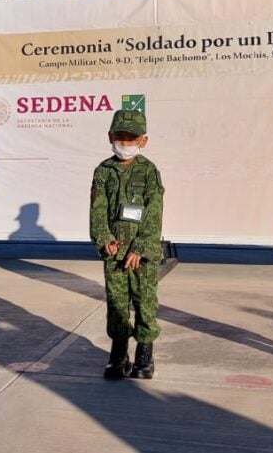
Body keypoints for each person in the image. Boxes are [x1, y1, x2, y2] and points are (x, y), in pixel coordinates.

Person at [90, 109, 165, 380]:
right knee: (117, 305)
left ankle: (145, 354)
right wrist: (105, 240)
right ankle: (119, 355)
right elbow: (97, 211)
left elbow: (154, 212)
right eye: (120, 137)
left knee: (145, 303)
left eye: (131, 138)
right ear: (111, 136)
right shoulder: (104, 171)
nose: (125, 142)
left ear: (143, 141)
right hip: (115, 253)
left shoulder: (148, 172)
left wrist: (140, 247)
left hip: (141, 255)